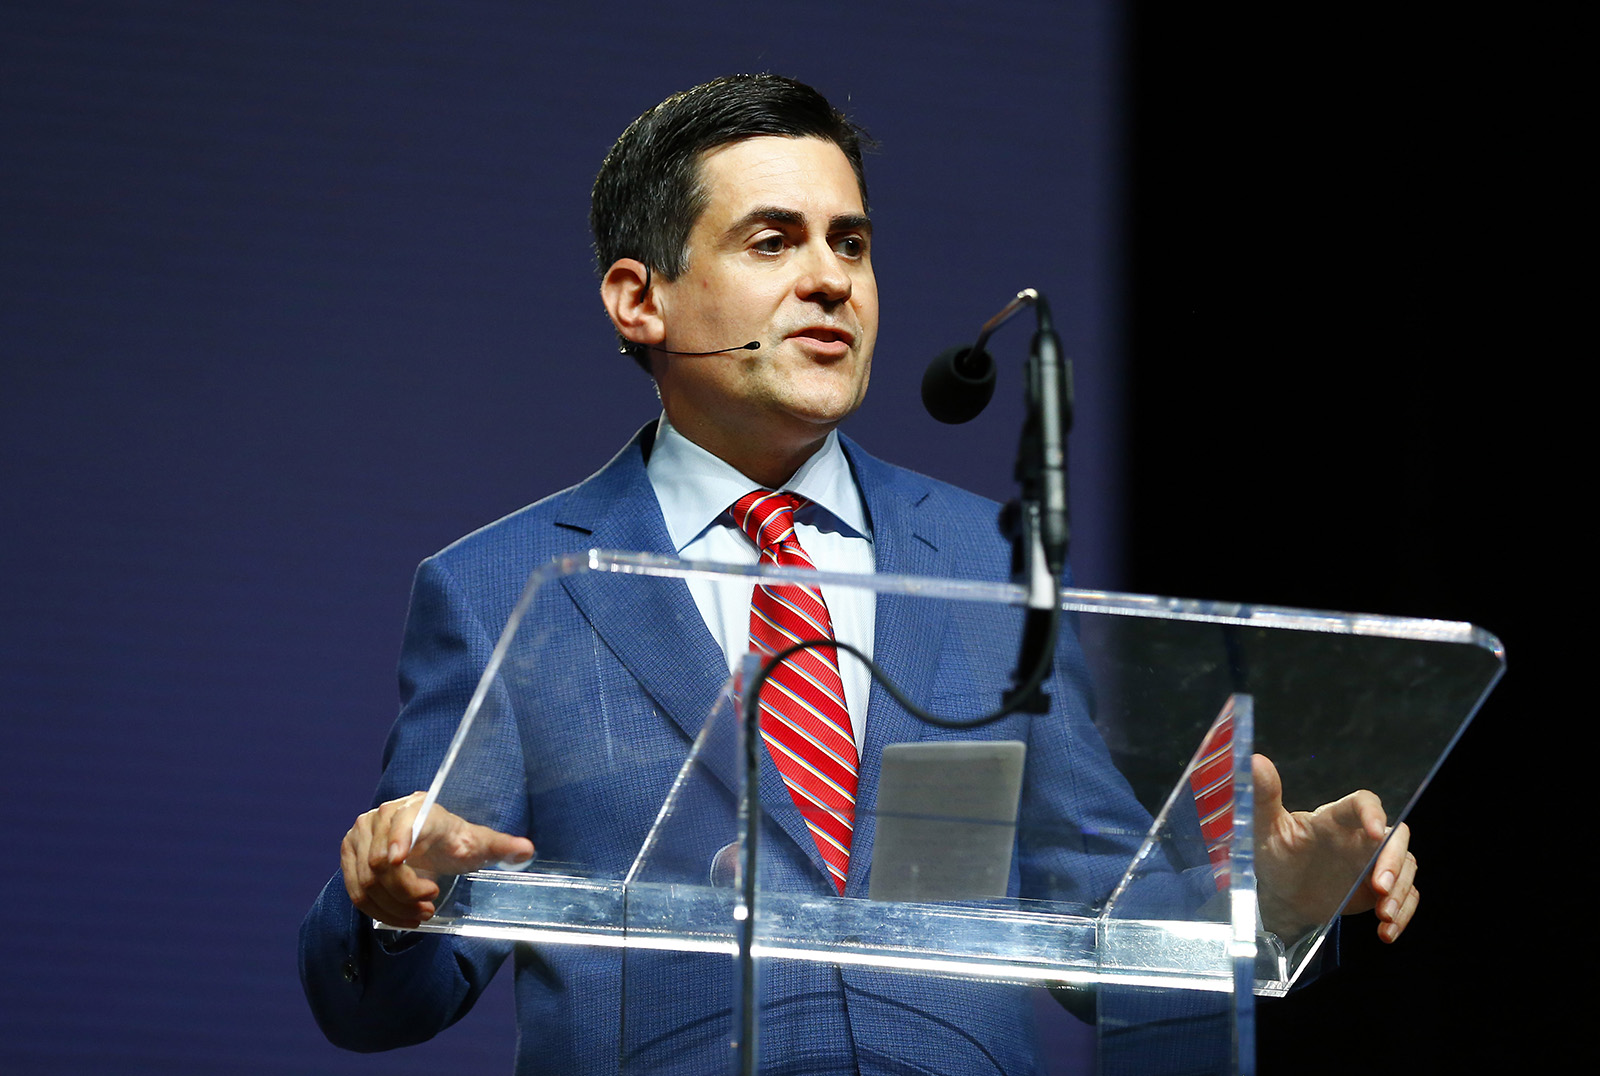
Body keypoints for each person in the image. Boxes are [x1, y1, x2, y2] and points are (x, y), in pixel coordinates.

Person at [300, 74, 1418, 1075]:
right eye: (773, 241)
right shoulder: (505, 587)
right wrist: (390, 893)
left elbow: (1098, 924)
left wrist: (1261, 908)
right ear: (640, 298)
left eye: (851, 242)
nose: (831, 280)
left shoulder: (988, 561)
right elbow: (390, 1000)